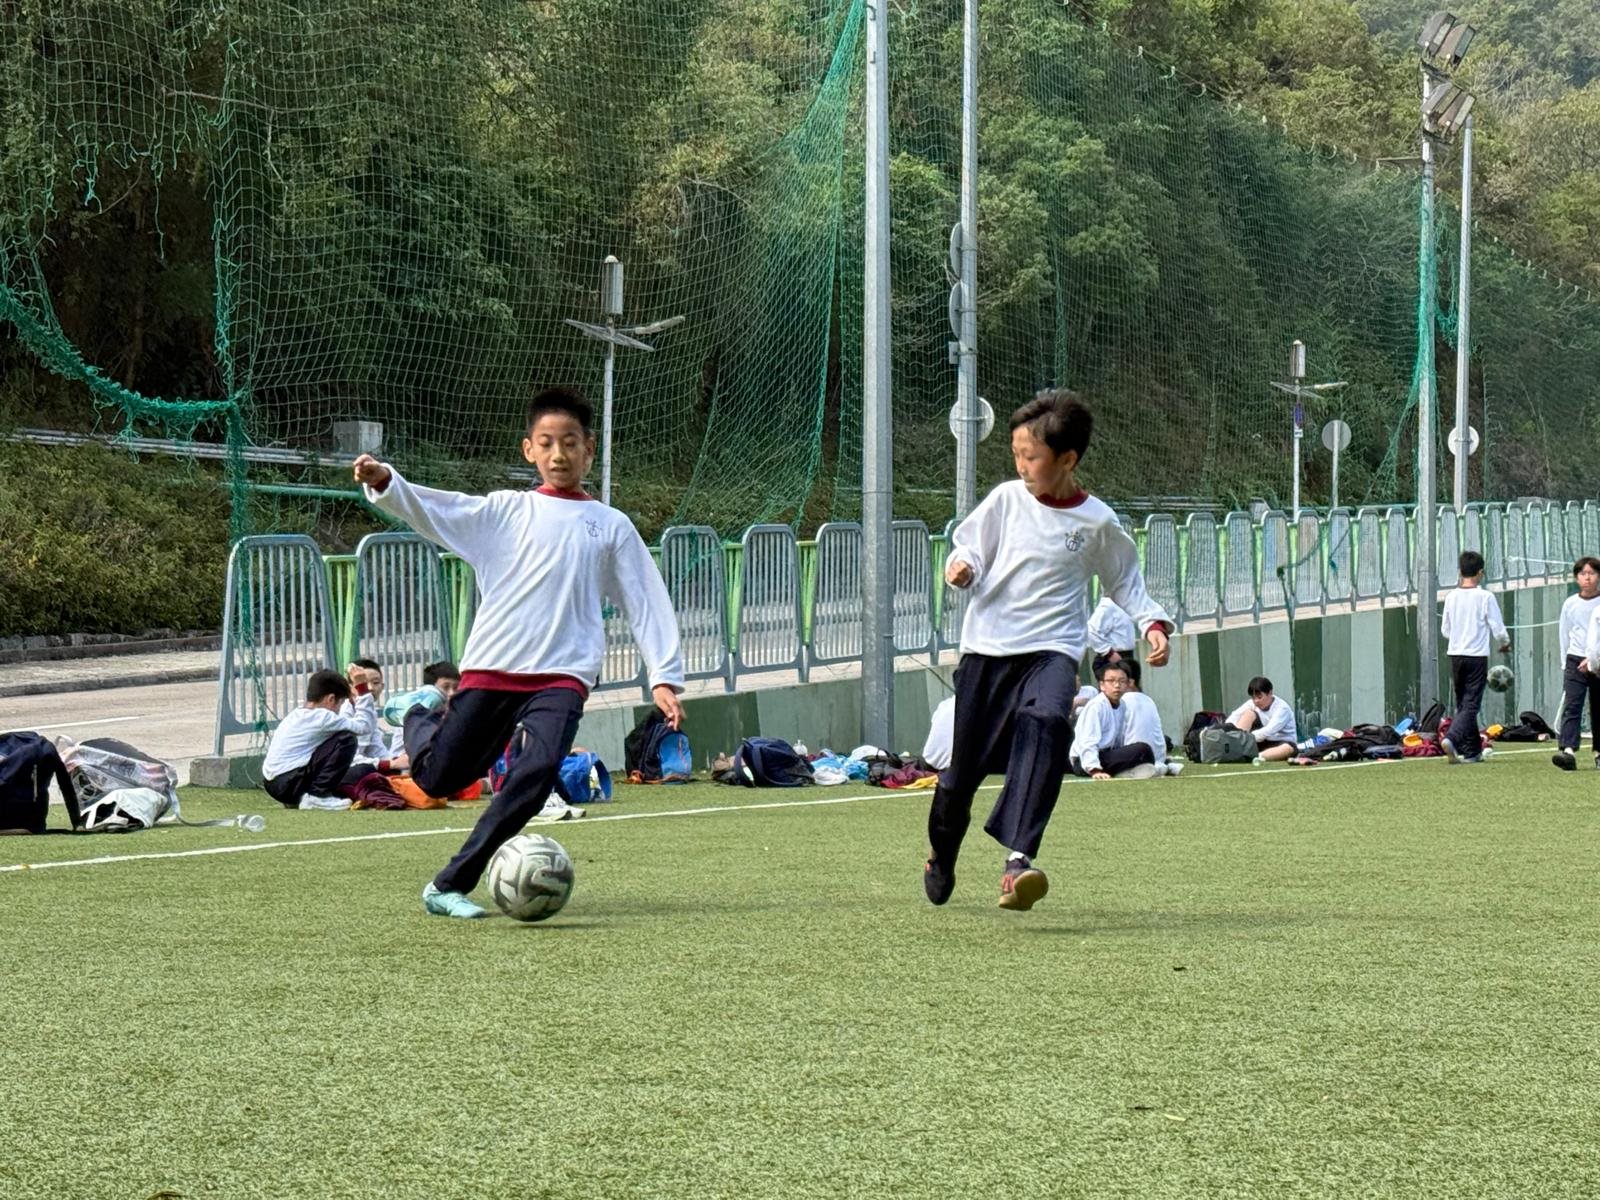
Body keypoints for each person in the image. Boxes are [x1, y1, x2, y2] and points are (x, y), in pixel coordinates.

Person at [354, 385, 686, 918]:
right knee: (438, 780)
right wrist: (386, 482)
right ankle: (418, 711)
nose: (559, 454)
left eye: (570, 443)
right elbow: (438, 509)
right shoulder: (505, 512)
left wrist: (664, 676)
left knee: (535, 776)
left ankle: (449, 884)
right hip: (494, 667)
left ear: (589, 449)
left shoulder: (611, 526)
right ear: (529, 449)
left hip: (563, 676)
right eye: (547, 443)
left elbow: (646, 599)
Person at [925, 389, 1173, 913]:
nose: (1021, 465)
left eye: (1031, 456)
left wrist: (1152, 623)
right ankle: (941, 854)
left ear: (1067, 459)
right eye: (1016, 454)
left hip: (1052, 651)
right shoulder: (1005, 499)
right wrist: (961, 567)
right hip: (987, 651)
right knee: (960, 777)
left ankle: (1018, 861)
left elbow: (1125, 580)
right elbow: (969, 547)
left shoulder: (1096, 522)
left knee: (1049, 723)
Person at [260, 667, 376, 810]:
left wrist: (352, 701)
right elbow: (364, 727)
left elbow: (343, 724)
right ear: (331, 699)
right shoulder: (323, 717)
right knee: (347, 739)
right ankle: (318, 796)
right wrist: (362, 690)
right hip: (289, 784)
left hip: (273, 784)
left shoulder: (298, 714)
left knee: (339, 736)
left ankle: (302, 798)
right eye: (340, 704)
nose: (339, 711)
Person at [1440, 549, 1509, 765]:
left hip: (1456, 655)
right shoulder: (1485, 597)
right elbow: (1497, 626)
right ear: (1480, 573)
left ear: (1460, 572)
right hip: (1476, 656)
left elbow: (1445, 630)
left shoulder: (1451, 597)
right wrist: (1504, 643)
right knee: (1471, 704)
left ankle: (1472, 751)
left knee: (1463, 703)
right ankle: (1451, 738)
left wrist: (1458, 636)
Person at [1068, 661, 1160, 780]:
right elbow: (1088, 741)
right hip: (1084, 762)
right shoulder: (1096, 706)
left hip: (1106, 755)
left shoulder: (1122, 705)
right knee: (1142, 749)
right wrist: (1094, 770)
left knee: (1146, 751)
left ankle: (1128, 771)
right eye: (1111, 681)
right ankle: (1127, 771)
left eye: (1122, 681)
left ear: (1128, 684)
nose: (1117, 685)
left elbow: (1118, 741)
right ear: (1102, 685)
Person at [1552, 557, 1600, 771]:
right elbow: (1564, 632)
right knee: (1572, 705)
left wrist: (1593, 659)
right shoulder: (1570, 604)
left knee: (1598, 707)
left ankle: (1598, 753)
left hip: (1597, 661)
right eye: (1583, 574)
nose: (1587, 578)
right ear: (1577, 578)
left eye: (1592, 573)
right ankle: (1568, 750)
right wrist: (1566, 662)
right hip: (1575, 659)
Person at [1227, 676, 1298, 763]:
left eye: (1259, 697)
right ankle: (1235, 747)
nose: (1256, 701)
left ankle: (1258, 757)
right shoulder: (1251, 704)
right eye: (1253, 698)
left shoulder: (1282, 708)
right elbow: (1234, 717)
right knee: (1249, 714)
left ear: (1270, 693)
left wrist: (1247, 738)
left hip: (1281, 742)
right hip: (1258, 741)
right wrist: (1227, 733)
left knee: (1288, 749)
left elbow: (1269, 730)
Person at [1087, 596, 1140, 686]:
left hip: (1126, 657)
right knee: (1115, 691)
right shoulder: (1108, 605)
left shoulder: (1124, 604)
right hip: (1113, 658)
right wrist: (1109, 653)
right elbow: (1091, 631)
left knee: (1130, 692)